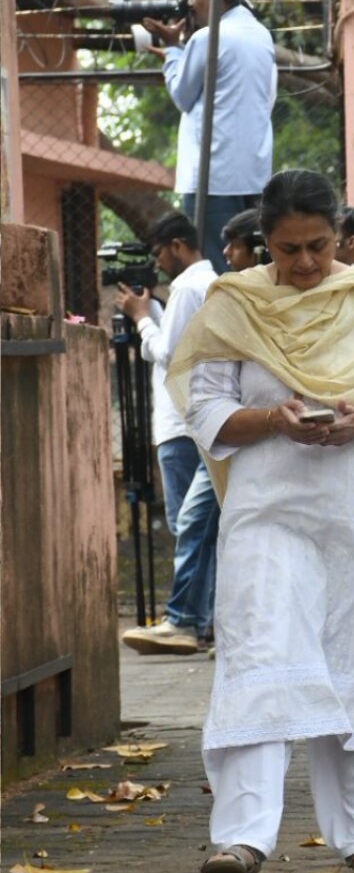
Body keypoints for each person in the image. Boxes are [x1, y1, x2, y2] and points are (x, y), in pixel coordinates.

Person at [166, 168, 354, 873]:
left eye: (319, 247)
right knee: (258, 656)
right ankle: (240, 837)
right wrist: (273, 418)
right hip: (272, 512)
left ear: (344, 239)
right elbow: (204, 411)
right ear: (261, 241)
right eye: (288, 248)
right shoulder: (231, 304)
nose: (303, 264)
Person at [116, 212, 219, 656]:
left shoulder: (190, 288)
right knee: (198, 527)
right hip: (191, 422)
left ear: (177, 245)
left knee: (189, 525)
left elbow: (168, 353)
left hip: (182, 425)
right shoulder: (198, 287)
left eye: (158, 253)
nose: (156, 263)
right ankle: (198, 619)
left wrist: (140, 318)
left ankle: (188, 620)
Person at [144, 0, 276, 272]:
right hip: (252, 172)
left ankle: (221, 318)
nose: (189, 3)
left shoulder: (208, 38)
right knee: (249, 264)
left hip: (213, 174)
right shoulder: (261, 35)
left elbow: (182, 94)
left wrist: (173, 51)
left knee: (216, 265)